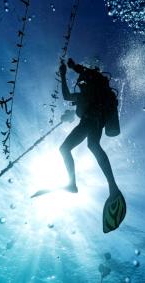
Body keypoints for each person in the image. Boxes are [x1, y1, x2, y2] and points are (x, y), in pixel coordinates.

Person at [59, 58, 121, 199]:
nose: (80, 83)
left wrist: (65, 73)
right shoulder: (88, 92)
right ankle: (111, 185)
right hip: (97, 121)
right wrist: (72, 68)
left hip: (90, 120)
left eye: (81, 81)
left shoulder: (92, 87)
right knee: (93, 145)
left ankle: (72, 184)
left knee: (65, 148)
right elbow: (68, 96)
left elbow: (67, 95)